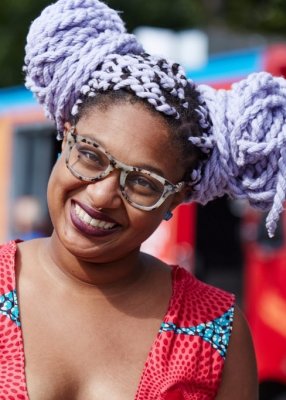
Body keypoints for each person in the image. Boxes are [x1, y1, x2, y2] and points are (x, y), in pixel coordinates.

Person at [1, 0, 285, 398]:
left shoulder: (217, 334)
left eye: (143, 183)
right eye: (90, 155)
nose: (101, 196)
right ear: (66, 137)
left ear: (177, 199)